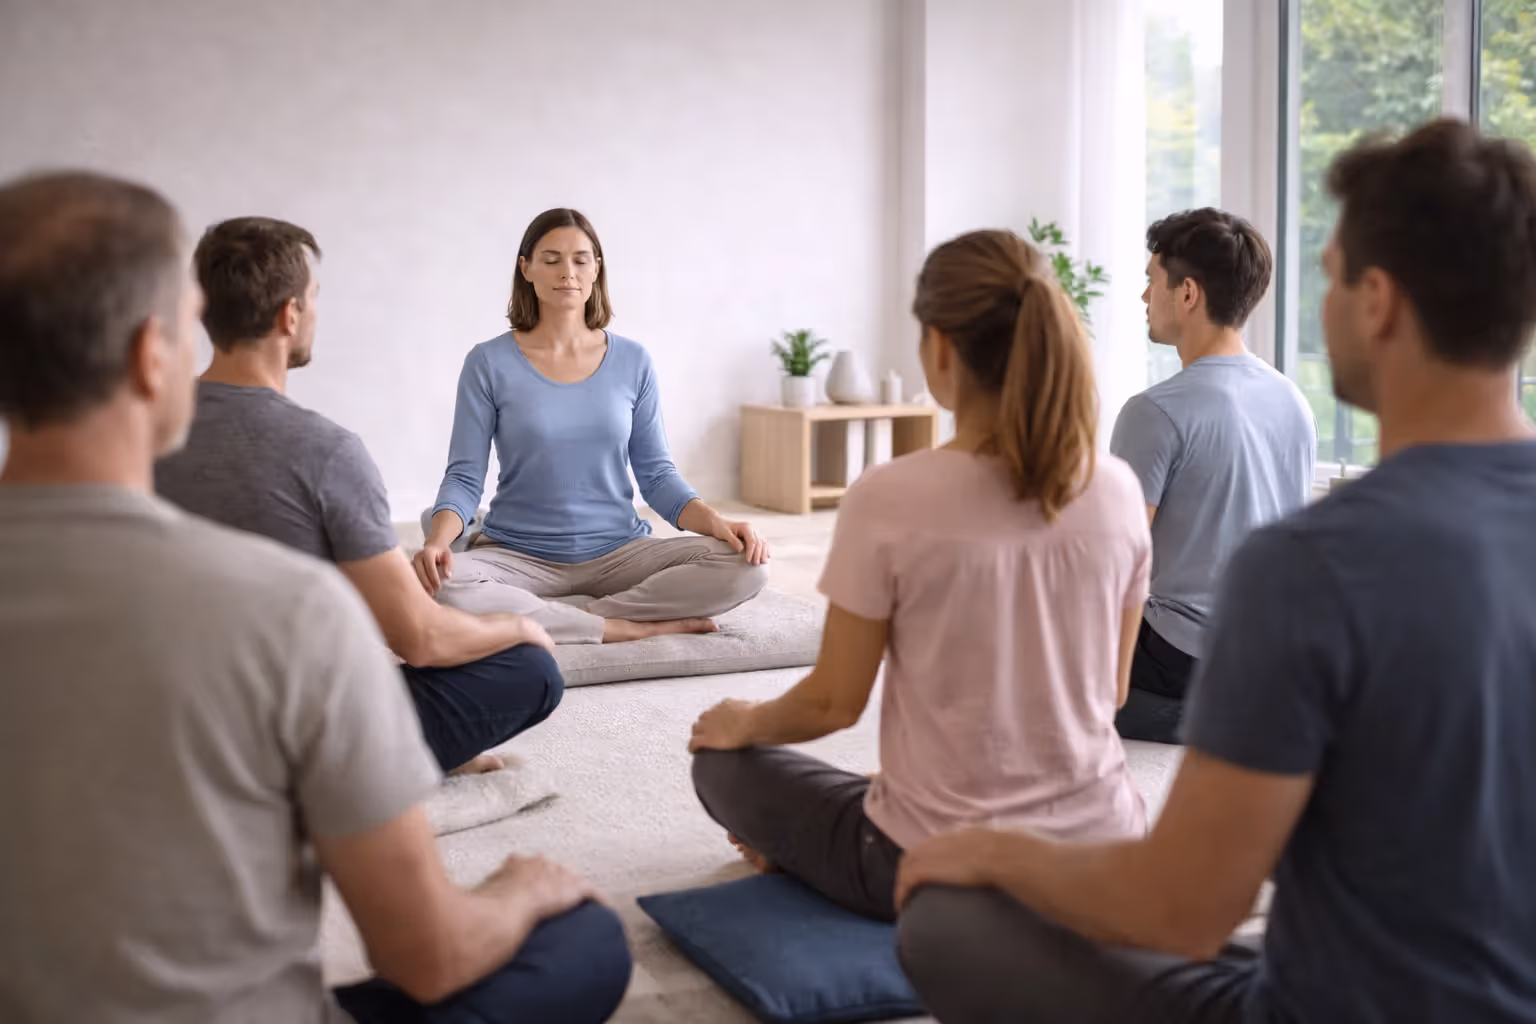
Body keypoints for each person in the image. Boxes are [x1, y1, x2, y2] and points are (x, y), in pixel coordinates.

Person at [894, 118, 1536, 1024]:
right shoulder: (1291, 423)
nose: (1320, 306)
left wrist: (993, 853)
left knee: (943, 922)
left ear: (1379, 300)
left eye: (1332, 277)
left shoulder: (1308, 567)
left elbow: (1181, 910)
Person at [0, 172, 630, 1023]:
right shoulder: (291, 608)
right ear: (154, 355)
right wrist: (520, 889)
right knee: (586, 936)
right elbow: (428, 956)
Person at [686, 229, 1152, 922]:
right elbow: (1110, 693)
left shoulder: (888, 495)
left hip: (928, 861)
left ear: (938, 347)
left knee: (721, 763)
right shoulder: (1117, 489)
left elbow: (832, 704)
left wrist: (741, 719)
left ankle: (802, 855)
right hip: (1102, 848)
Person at [156, 217, 560, 777]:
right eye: (314, 298)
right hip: (288, 737)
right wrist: (520, 629)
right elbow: (421, 639)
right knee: (532, 668)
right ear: (289, 315)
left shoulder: (146, 429)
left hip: (171, 714)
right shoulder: (326, 452)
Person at [415, 208, 768, 644]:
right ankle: (617, 626)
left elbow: (656, 476)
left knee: (746, 566)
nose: (568, 272)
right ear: (526, 268)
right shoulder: (487, 363)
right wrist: (436, 543)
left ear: (596, 268)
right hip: (518, 555)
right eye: (551, 259)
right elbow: (465, 476)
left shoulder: (633, 361)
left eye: (581, 259)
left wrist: (718, 524)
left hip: (619, 554)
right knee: (432, 581)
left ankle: (563, 619)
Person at [1110, 209, 1315, 744]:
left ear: (1187, 293)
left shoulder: (1154, 411)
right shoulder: (1293, 401)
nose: (1143, 297)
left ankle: (1187, 720)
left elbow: (1118, 562)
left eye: (1151, 280)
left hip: (1184, 656)